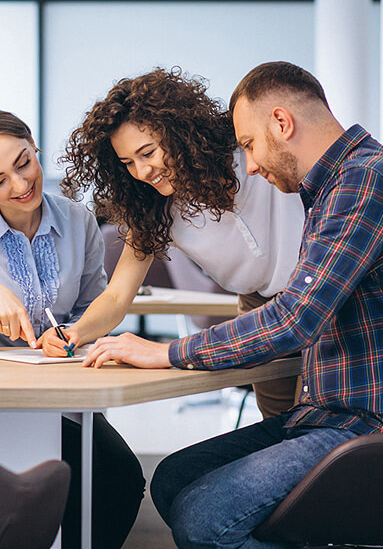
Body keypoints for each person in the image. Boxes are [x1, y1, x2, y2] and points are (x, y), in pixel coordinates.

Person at [80, 62, 383, 549]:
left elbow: (295, 318)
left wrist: (167, 351)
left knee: (205, 516)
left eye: (250, 145)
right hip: (332, 407)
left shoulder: (363, 183)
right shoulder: (331, 185)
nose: (249, 164)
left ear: (282, 122)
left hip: (381, 420)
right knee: (173, 480)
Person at [0, 107, 144, 549]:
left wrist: (73, 332)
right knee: (74, 480)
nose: (21, 185)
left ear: (34, 145)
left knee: (120, 479)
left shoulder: (77, 219)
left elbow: (92, 307)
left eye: (24, 162)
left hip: (62, 394)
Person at [57, 67, 305, 418]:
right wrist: (74, 333)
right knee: (281, 429)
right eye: (128, 162)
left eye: (148, 153)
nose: (142, 172)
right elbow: (115, 297)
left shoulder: (247, 152)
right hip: (257, 306)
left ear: (178, 132)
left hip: (317, 291)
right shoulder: (153, 207)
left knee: (320, 426)